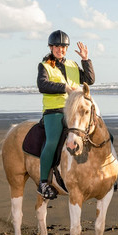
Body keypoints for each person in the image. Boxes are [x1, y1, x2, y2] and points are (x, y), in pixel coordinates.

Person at [36, 30, 93, 200]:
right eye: (57, 47)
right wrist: (64, 88)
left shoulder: (74, 65)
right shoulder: (44, 66)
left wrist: (85, 60)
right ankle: (44, 182)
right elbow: (42, 85)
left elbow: (89, 80)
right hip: (54, 111)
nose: (60, 49)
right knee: (53, 142)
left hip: (75, 109)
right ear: (51, 47)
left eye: (63, 47)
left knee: (98, 133)